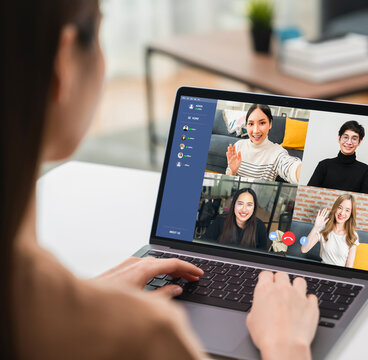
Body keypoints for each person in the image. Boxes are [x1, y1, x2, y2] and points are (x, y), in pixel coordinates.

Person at [0, 1, 319, 359]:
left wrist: (76, 297)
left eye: (263, 123)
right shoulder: (147, 336)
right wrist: (285, 345)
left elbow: (293, 171)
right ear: (64, 64)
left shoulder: (275, 159)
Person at [226, 104, 302, 184]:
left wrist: (300, 171)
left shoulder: (277, 152)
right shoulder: (238, 146)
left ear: (270, 124)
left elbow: (290, 167)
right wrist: (233, 172)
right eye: (251, 124)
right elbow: (228, 181)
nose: (255, 131)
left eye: (262, 123)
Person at [307, 120, 368, 195]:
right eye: (346, 137)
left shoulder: (365, 170)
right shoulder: (324, 165)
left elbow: (366, 202)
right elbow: (309, 195)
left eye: (354, 139)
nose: (349, 142)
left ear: (359, 142)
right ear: (339, 139)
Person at [301, 194, 359, 268]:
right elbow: (304, 249)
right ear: (335, 208)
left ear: (351, 214)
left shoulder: (353, 235)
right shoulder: (324, 228)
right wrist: (316, 227)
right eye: (340, 208)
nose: (342, 213)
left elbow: (349, 267)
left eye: (347, 210)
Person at [203, 188, 267, 251]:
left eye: (249, 205)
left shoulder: (260, 227)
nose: (244, 210)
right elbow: (204, 244)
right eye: (240, 204)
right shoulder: (220, 221)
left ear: (254, 208)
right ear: (234, 205)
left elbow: (263, 256)